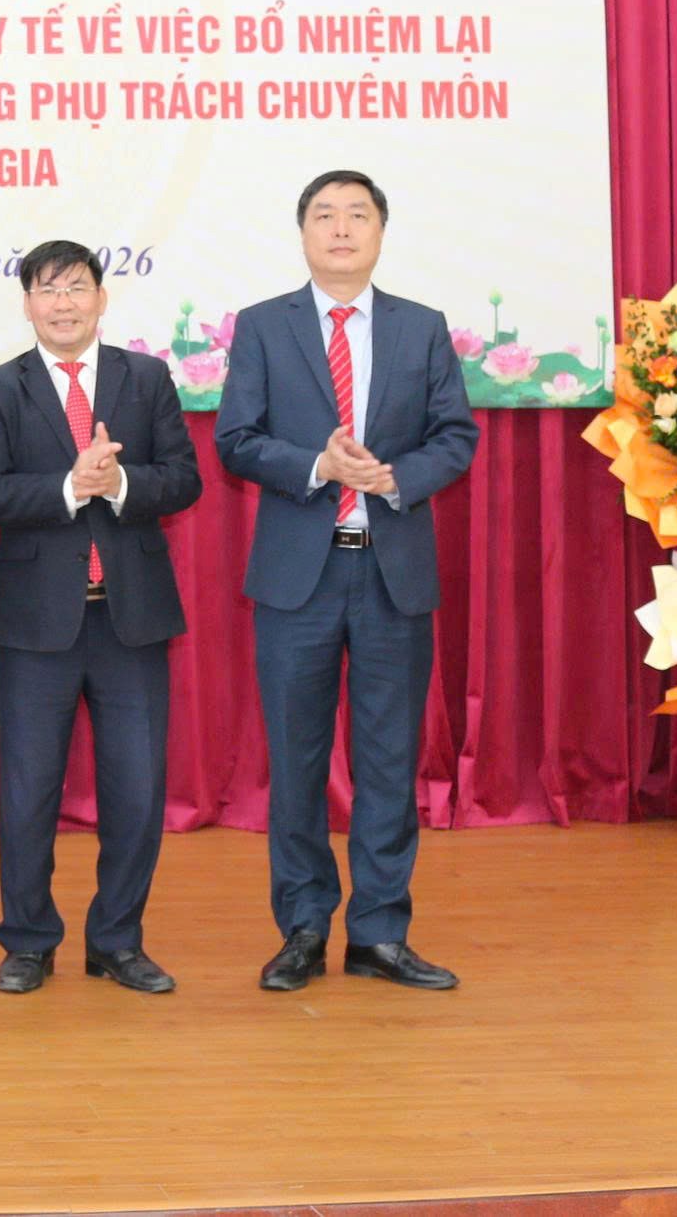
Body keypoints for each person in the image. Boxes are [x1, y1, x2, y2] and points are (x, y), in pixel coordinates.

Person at [213, 171, 481, 992]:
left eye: (356, 215)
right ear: (303, 233)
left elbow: (456, 435)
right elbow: (235, 438)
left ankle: (380, 932)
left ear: (379, 232)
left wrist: (394, 476)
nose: (340, 228)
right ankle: (302, 928)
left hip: (392, 572)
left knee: (389, 760)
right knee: (296, 762)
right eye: (325, 215)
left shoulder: (420, 327)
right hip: (299, 577)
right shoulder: (263, 326)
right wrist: (317, 466)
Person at [0, 240, 200, 996]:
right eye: (47, 289)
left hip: (132, 621)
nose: (62, 303)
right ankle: (28, 941)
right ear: (27, 304)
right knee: (28, 793)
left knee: (137, 790)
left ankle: (118, 941)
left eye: (76, 288)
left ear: (102, 298)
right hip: (37, 626)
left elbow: (184, 479)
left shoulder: (146, 378)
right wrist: (69, 486)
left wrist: (120, 480)